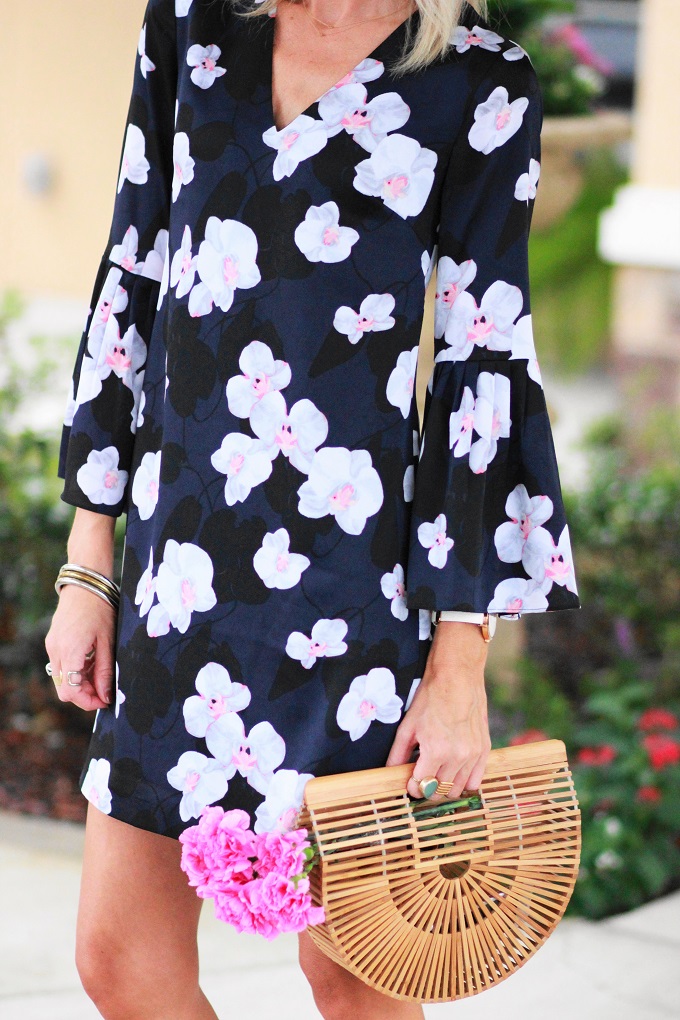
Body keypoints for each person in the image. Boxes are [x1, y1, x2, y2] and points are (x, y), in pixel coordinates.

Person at [45, 0, 581, 1016]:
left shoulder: (479, 79)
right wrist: (88, 562)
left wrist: (459, 663)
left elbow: (484, 362)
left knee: (354, 979)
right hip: (175, 582)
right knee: (118, 960)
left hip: (354, 604)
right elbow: (132, 274)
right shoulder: (192, 25)